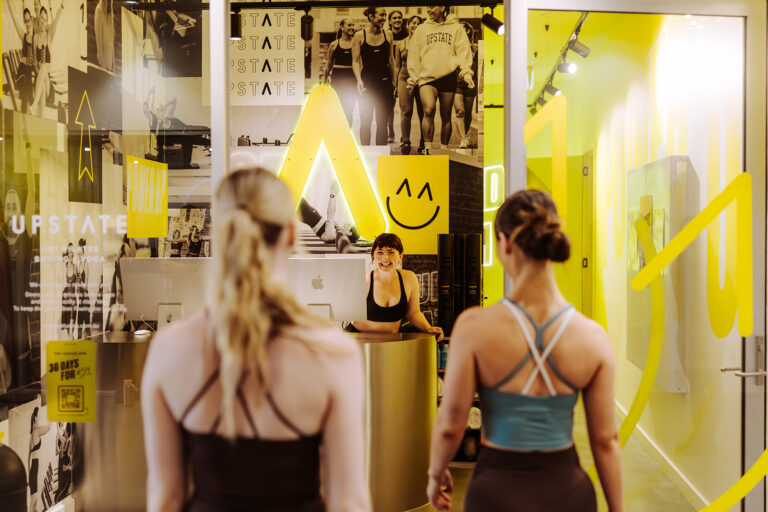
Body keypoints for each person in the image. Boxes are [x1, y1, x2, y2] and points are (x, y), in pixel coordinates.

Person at [141, 167, 371, 512]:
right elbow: (348, 503)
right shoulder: (333, 353)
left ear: (221, 234)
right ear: (291, 234)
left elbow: (166, 498)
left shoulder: (169, 349)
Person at [427, 189, 623, 511]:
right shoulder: (592, 337)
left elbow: (451, 423)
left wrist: (436, 474)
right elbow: (605, 441)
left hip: (495, 495)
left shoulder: (474, 328)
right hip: (569, 495)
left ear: (505, 243)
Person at [349, 233, 443, 341]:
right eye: (380, 252)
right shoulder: (363, 280)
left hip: (391, 341)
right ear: (373, 258)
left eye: (391, 252)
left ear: (400, 257)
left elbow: (413, 313)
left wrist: (428, 328)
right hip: (359, 340)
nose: (385, 258)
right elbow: (353, 319)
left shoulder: (409, 278)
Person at [407, 6, 473, 152]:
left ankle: (443, 149)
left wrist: (466, 71)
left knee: (446, 115)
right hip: (426, 76)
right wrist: (413, 78)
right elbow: (413, 55)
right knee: (428, 110)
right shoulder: (421, 29)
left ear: (442, 7)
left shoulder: (456, 28)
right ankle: (428, 149)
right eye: (427, 6)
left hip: (448, 75)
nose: (428, 10)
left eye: (432, 6)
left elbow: (463, 51)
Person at [352, 6, 395, 146]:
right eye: (381, 15)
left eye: (385, 15)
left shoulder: (388, 34)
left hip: (385, 83)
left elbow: (391, 60)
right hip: (367, 84)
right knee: (366, 121)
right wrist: (359, 80)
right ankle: (366, 154)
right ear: (371, 17)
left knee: (382, 122)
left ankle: (380, 154)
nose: (384, 18)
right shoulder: (359, 36)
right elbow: (355, 61)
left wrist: (394, 82)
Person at [393, 15, 425, 155]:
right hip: (404, 79)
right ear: (407, 25)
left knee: (423, 112)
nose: (415, 25)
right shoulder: (400, 44)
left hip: (422, 79)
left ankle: (424, 141)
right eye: (413, 23)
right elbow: (397, 66)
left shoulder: (425, 43)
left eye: (418, 23)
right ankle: (406, 141)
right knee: (406, 110)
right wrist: (395, 84)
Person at [29, 0, 65, 116]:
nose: (43, 22)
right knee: (42, 86)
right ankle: (41, 117)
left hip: (48, 82)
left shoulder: (49, 36)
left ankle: (34, 105)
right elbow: (35, 64)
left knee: (44, 68)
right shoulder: (35, 37)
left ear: (47, 21)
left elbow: (56, 21)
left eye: (45, 19)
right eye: (41, 19)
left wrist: (62, 6)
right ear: (38, 20)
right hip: (39, 81)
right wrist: (39, 70)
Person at [323, 19, 358, 125]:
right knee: (337, 108)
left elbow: (360, 63)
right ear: (342, 27)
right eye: (349, 25)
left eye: (353, 25)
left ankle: (347, 132)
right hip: (337, 80)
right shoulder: (334, 45)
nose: (352, 27)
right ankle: (337, 131)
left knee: (349, 110)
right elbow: (328, 65)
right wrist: (324, 82)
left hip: (352, 80)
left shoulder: (357, 43)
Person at [4, 3, 37, 111]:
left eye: (29, 20)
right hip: (22, 72)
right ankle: (23, 107)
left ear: (32, 21)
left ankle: (15, 94)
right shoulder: (23, 36)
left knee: (30, 95)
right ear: (24, 22)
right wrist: (9, 5)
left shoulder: (36, 37)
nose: (27, 23)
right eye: (25, 21)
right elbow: (14, 20)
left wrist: (31, 62)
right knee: (26, 94)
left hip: (30, 72)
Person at [453, 22, 478, 149]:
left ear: (468, 31)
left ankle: (466, 134)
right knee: (459, 111)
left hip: (470, 83)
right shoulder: (454, 48)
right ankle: (463, 139)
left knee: (468, 112)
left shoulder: (476, 48)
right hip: (456, 82)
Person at [386, 10, 406, 143]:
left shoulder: (407, 35)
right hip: (390, 72)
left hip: (404, 72)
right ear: (390, 21)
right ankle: (391, 132)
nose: (397, 20)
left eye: (399, 17)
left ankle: (405, 134)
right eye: (394, 18)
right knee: (389, 105)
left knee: (405, 106)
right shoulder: (386, 35)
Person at [28, 407, 51, 512]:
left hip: (33, 467)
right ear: (36, 417)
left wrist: (28, 471)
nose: (40, 417)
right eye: (39, 415)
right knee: (34, 501)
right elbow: (49, 427)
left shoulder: (32, 433)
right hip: (34, 466)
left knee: (34, 501)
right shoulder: (36, 431)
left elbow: (28, 456)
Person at [94, 0, 115, 71]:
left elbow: (111, 44)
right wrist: (103, 67)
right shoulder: (99, 10)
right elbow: (99, 43)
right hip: (103, 66)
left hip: (110, 65)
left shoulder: (110, 13)